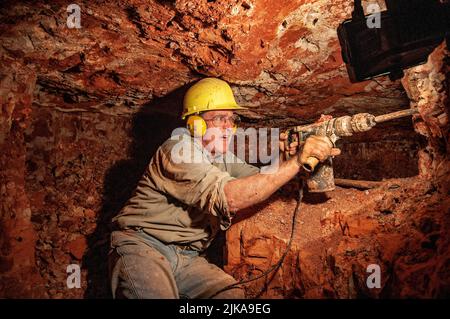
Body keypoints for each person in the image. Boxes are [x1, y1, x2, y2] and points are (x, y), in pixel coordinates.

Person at [108, 77, 340, 299]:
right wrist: (297, 161)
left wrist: (285, 156)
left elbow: (260, 183)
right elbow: (229, 198)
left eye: (232, 119)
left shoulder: (223, 157)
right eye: (220, 118)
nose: (229, 126)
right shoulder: (177, 150)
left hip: (187, 257)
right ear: (195, 123)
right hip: (143, 246)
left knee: (231, 294)